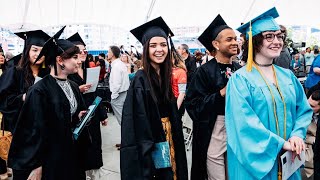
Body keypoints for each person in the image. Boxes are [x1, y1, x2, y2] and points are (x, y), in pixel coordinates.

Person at [226, 7, 313, 179]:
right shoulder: (240, 80)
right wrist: (280, 144)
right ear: (255, 41)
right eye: (269, 36)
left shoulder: (287, 76)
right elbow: (243, 124)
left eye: (279, 36)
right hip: (255, 163)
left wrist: (297, 134)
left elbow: (303, 110)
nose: (277, 41)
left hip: (289, 158)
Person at [8, 27, 88, 180]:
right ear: (60, 60)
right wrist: (37, 165)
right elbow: (32, 131)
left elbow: (66, 117)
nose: (79, 60)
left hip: (69, 154)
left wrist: (79, 116)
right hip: (49, 159)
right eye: (75, 57)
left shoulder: (73, 86)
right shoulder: (39, 90)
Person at [121, 16, 188, 180]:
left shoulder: (164, 75)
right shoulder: (141, 78)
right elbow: (137, 119)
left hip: (169, 135)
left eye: (163, 44)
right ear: (145, 49)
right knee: (161, 173)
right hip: (153, 141)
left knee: (172, 172)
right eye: (153, 45)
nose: (159, 49)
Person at [185, 14, 241, 180]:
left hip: (238, 126)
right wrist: (221, 93)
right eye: (229, 39)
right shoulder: (204, 71)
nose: (235, 42)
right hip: (215, 126)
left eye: (236, 39)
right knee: (215, 169)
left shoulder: (239, 68)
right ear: (216, 44)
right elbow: (193, 104)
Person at [67, 32, 108, 180]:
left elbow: (96, 92)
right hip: (78, 117)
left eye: (84, 50)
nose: (83, 53)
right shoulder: (67, 73)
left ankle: (95, 175)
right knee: (81, 149)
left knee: (95, 146)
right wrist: (78, 89)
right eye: (78, 50)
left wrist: (102, 114)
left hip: (93, 115)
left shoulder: (88, 70)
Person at [107, 45, 130, 149]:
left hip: (119, 95)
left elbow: (116, 84)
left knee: (123, 121)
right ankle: (125, 141)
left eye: (108, 52)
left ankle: (127, 143)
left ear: (112, 54)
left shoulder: (116, 66)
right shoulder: (120, 64)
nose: (107, 53)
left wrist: (113, 96)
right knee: (125, 121)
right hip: (123, 93)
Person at [171, 50, 187, 118]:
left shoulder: (181, 71)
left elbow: (182, 92)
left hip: (176, 101)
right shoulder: (166, 70)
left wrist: (176, 109)